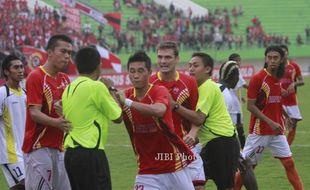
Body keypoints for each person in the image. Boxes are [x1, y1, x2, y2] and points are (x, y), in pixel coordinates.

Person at [117, 51, 195, 190]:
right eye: (132, 71)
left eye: (140, 71)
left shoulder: (159, 91)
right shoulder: (126, 95)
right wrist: (111, 96)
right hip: (146, 171)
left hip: (172, 165)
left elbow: (159, 110)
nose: (136, 75)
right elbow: (116, 118)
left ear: (149, 72)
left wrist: (126, 102)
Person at [234, 45, 304, 190]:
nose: (272, 60)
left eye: (275, 58)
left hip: (277, 131)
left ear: (281, 60)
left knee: (289, 163)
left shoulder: (277, 77)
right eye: (269, 57)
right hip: (260, 132)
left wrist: (287, 116)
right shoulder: (258, 78)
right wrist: (271, 122)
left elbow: (276, 100)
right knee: (247, 166)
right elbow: (250, 107)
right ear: (265, 59)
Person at [173, 52, 240, 190]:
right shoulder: (200, 88)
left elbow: (199, 118)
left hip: (221, 142)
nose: (191, 69)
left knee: (224, 186)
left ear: (208, 69)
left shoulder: (207, 87)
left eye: (195, 65)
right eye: (189, 65)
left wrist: (174, 105)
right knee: (196, 182)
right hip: (213, 142)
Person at [62, 47, 122, 190]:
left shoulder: (69, 88)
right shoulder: (97, 87)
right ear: (99, 66)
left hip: (70, 154)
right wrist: (110, 89)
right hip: (90, 152)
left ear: (77, 66)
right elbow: (118, 117)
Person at [149, 41, 206, 189]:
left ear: (177, 59)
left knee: (198, 187)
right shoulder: (150, 82)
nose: (163, 61)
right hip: (160, 150)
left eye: (167, 57)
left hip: (186, 147)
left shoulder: (189, 82)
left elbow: (197, 117)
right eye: (160, 57)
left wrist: (193, 133)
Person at [22, 34, 73, 190]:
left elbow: (68, 112)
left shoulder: (65, 79)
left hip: (59, 147)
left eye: (69, 53)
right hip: (38, 147)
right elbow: (34, 113)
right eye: (63, 51)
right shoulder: (36, 77)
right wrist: (56, 122)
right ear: (50, 52)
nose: (67, 57)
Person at [219, 60, 258, 190]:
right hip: (219, 139)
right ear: (234, 77)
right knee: (245, 165)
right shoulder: (225, 94)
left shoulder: (218, 88)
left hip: (217, 138)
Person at [0, 55, 26, 190]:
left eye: (21, 67)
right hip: (10, 153)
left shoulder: (26, 93)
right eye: (16, 67)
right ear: (6, 71)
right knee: (27, 184)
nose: (21, 70)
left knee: (20, 187)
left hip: (26, 152)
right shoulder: (2, 93)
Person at [279, 45, 304, 145]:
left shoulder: (294, 66)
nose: (283, 54)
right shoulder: (276, 68)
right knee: (281, 124)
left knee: (293, 124)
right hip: (280, 100)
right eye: (281, 52)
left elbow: (301, 81)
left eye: (284, 52)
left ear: (287, 53)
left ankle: (287, 146)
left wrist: (294, 83)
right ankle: (280, 145)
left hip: (292, 100)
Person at [228, 53, 248, 149]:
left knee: (232, 127)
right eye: (236, 60)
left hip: (229, 103)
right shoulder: (235, 72)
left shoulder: (228, 72)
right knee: (239, 127)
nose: (239, 62)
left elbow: (234, 88)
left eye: (239, 60)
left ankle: (237, 147)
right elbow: (245, 85)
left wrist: (241, 97)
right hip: (234, 106)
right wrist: (257, 90)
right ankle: (243, 148)